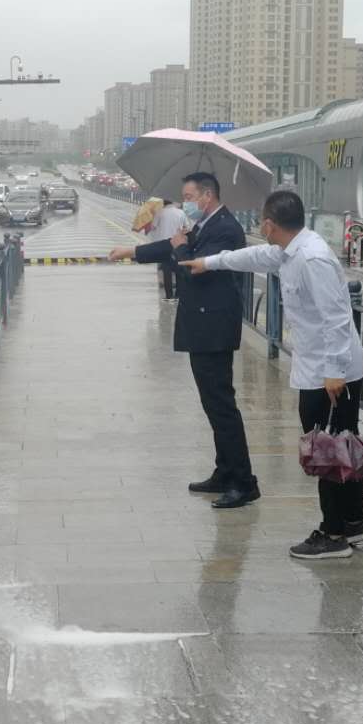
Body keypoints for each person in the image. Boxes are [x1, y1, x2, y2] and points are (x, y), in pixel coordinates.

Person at [179, 189, 363, 558]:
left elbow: (337, 318)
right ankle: (355, 520)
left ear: (269, 223)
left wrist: (333, 372)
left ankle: (332, 536)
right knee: (342, 444)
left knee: (326, 450)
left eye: (262, 222)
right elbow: (254, 256)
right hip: (322, 367)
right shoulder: (290, 249)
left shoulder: (312, 258)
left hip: (330, 374)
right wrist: (210, 261)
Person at [109, 172, 258, 508]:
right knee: (211, 404)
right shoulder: (204, 224)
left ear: (207, 195)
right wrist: (131, 250)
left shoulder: (225, 228)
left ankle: (243, 481)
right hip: (202, 324)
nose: (186, 202)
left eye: (189, 196)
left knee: (222, 406)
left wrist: (181, 247)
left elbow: (193, 266)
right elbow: (171, 246)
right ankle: (224, 471)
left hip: (214, 327)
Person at [149, 200, 186, 300]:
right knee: (179, 271)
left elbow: (153, 227)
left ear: (164, 203)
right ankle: (178, 294)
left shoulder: (160, 212)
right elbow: (185, 228)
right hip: (177, 245)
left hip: (165, 246)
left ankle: (169, 296)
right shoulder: (181, 212)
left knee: (167, 271)